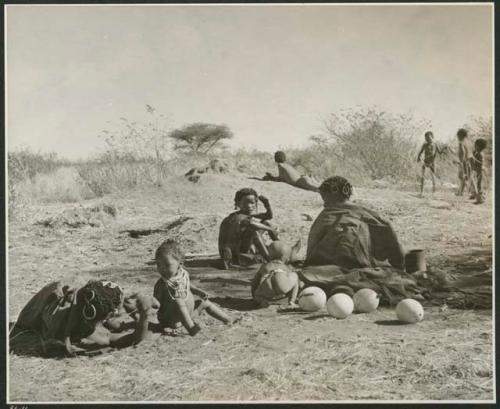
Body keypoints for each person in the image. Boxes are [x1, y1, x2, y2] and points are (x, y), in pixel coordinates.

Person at [10, 280, 157, 357]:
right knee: (115, 323)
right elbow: (134, 339)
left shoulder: (81, 302)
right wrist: (143, 314)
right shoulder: (92, 336)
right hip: (43, 306)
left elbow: (90, 289)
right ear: (107, 315)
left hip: (49, 297)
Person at [153, 239, 233, 336]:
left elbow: (188, 285)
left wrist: (198, 291)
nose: (162, 269)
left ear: (180, 264)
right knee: (178, 300)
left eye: (167, 265)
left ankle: (227, 319)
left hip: (189, 314)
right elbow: (156, 301)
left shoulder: (183, 275)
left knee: (205, 303)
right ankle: (191, 328)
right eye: (158, 265)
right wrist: (155, 303)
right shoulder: (162, 284)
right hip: (171, 320)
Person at [218, 188, 279, 269]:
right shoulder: (237, 217)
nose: (250, 206)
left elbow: (268, 216)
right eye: (245, 203)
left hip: (240, 248)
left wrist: (266, 203)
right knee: (255, 232)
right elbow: (252, 224)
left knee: (266, 223)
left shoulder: (244, 214)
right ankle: (269, 260)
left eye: (252, 203)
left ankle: (281, 246)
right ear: (238, 203)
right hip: (233, 256)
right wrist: (271, 229)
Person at [251, 240, 302, 308]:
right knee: (294, 276)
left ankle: (262, 301)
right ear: (285, 258)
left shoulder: (265, 266)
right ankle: (291, 301)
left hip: (267, 289)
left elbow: (255, 281)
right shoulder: (286, 267)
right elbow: (291, 281)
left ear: (269, 255)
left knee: (258, 296)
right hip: (282, 287)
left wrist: (255, 293)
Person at [417, 131, 443, 195]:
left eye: (429, 138)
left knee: (433, 177)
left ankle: (434, 192)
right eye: (426, 138)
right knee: (422, 176)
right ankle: (421, 191)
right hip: (425, 161)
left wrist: (444, 149)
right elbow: (420, 152)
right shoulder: (425, 145)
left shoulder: (435, 145)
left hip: (432, 162)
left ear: (432, 137)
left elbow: (440, 152)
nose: (427, 139)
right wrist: (419, 158)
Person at [469, 138, 487, 204]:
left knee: (479, 185)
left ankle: (481, 199)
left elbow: (481, 163)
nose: (474, 146)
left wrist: (473, 159)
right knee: (474, 183)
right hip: (476, 171)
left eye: (476, 145)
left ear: (480, 147)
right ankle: (475, 195)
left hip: (480, 171)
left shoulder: (481, 154)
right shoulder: (475, 152)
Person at [455, 128, 473, 196]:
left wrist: (461, 162)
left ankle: (462, 192)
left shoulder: (461, 143)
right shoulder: (468, 142)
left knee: (462, 176)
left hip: (464, 162)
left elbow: (463, 152)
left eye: (458, 136)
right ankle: (462, 192)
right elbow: (470, 152)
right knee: (466, 177)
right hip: (469, 161)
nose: (457, 137)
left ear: (461, 135)